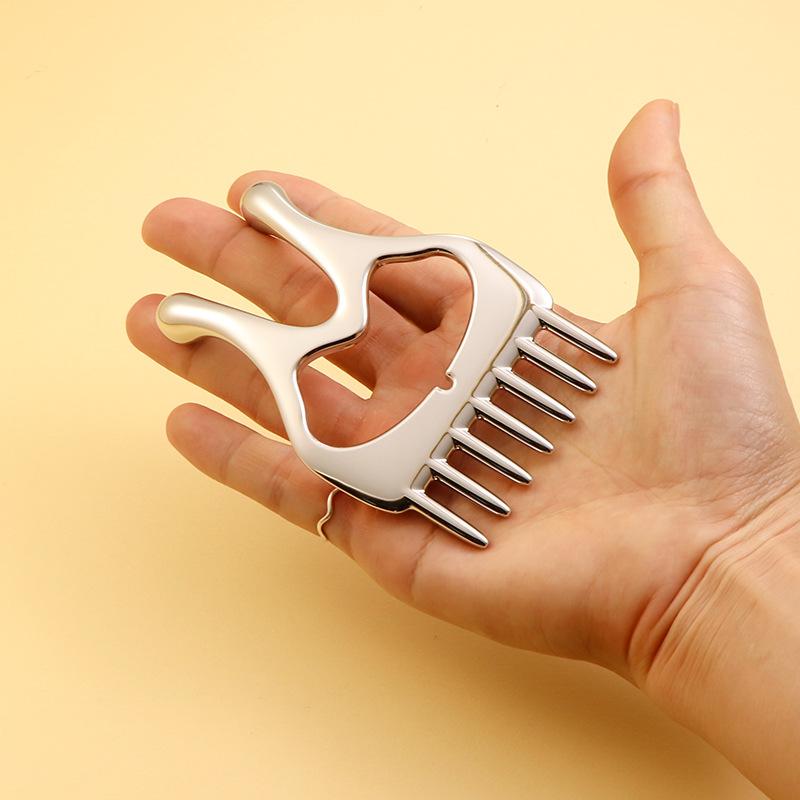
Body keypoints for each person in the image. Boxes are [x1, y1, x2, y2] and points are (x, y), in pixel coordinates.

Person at [127, 100, 800, 799]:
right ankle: (253, 285)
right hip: (419, 425)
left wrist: (734, 542)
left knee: (302, 305)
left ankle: (249, 285)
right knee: (291, 320)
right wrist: (738, 547)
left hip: (430, 419)